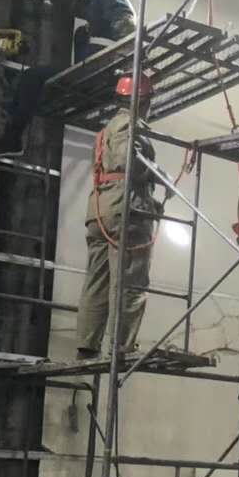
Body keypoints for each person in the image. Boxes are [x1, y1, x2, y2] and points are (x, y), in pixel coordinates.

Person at [0, 0, 136, 159]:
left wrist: (120, 47)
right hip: (93, 73)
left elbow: (126, 21)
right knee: (35, 79)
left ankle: (12, 137)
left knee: (32, 78)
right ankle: (12, 132)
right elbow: (78, 5)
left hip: (96, 73)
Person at [74, 71, 161, 360]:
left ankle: (87, 343)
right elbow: (128, 162)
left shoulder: (106, 129)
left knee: (97, 280)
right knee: (130, 280)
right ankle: (120, 346)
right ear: (142, 101)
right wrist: (156, 174)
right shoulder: (130, 125)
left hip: (100, 210)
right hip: (127, 211)